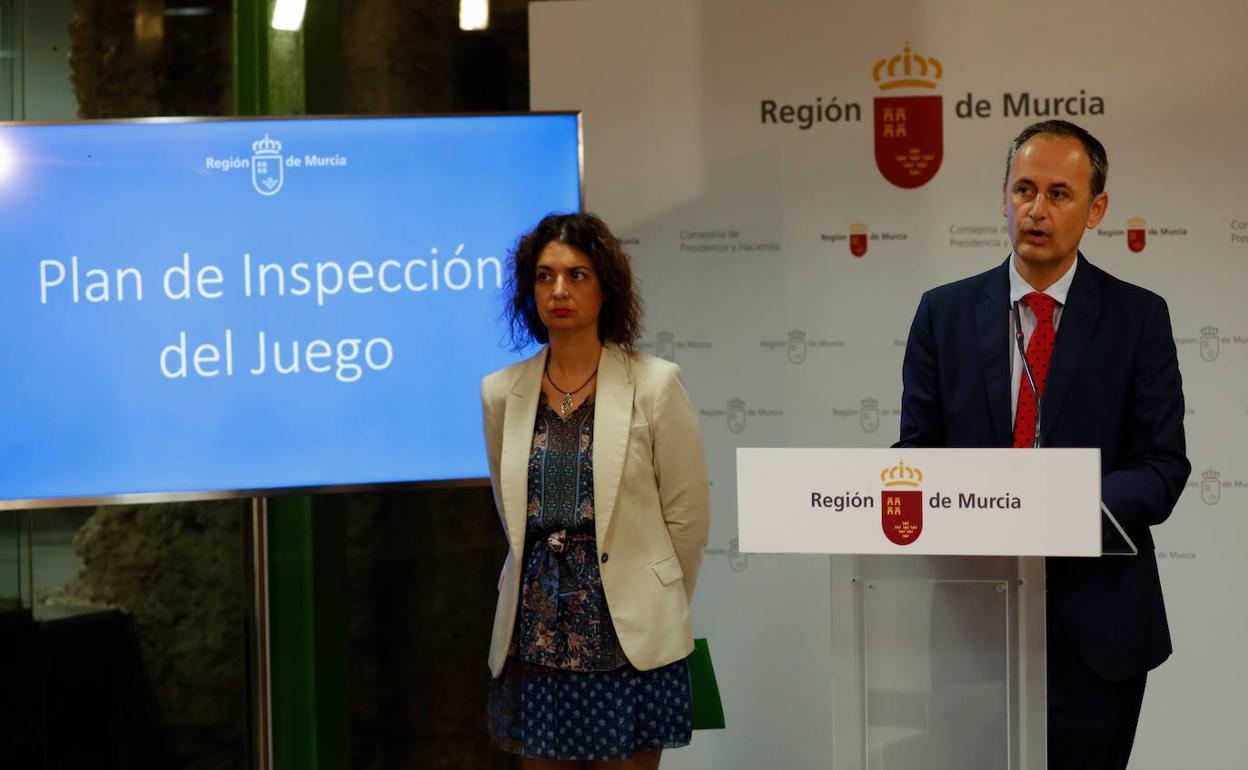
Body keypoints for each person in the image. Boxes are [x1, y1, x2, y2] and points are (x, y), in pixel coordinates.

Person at [896, 120, 1190, 769]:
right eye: (1024, 188)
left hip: (1099, 628)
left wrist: (1060, 508)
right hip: (974, 624)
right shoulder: (942, 314)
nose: (1037, 208)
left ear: (1096, 209)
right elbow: (916, 453)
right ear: (1003, 196)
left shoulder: (1139, 317)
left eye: (1060, 193)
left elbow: (1162, 466)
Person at [480, 212, 711, 769]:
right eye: (545, 276)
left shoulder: (655, 383)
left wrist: (651, 599)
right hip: (535, 632)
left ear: (606, 287)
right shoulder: (500, 392)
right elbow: (511, 516)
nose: (559, 290)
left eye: (577, 275)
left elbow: (687, 518)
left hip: (628, 634)